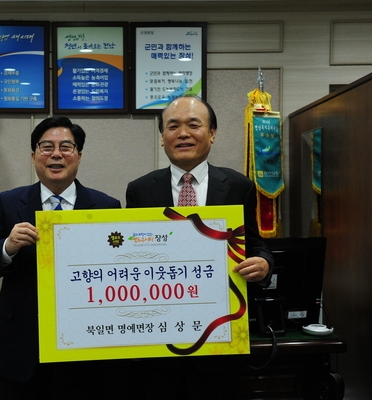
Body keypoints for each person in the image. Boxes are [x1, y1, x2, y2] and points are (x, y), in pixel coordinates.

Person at [125, 95, 274, 399]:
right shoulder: (140, 189)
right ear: (162, 137)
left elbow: (254, 242)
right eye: (173, 127)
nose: (183, 134)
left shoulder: (238, 186)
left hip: (218, 337)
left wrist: (264, 263)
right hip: (159, 341)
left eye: (193, 125)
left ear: (212, 133)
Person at [0, 116, 121, 399]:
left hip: (85, 355)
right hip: (21, 353)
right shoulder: (8, 202)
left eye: (66, 147)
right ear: (33, 156)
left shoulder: (106, 206)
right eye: (47, 147)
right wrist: (7, 246)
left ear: (79, 155)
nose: (56, 154)